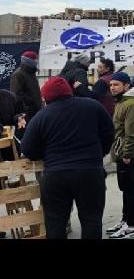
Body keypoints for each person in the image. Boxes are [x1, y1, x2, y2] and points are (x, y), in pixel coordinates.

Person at [20, 76, 114, 239]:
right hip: (90, 172)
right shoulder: (92, 106)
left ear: (46, 97)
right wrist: (99, 154)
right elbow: (108, 133)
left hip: (55, 175)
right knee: (91, 220)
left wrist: (45, 155)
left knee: (56, 222)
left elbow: (28, 149)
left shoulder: (41, 117)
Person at [106, 72, 134, 239]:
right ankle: (125, 220)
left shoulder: (132, 104)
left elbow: (133, 132)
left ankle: (132, 226)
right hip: (121, 150)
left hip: (127, 152)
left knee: (130, 189)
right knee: (125, 188)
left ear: (126, 85)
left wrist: (128, 154)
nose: (112, 88)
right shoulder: (122, 101)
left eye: (116, 85)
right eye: (111, 85)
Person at [10, 51, 42, 123]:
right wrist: (30, 105)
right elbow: (16, 94)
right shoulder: (18, 74)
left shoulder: (31, 73)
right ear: (29, 61)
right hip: (25, 113)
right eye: (35, 59)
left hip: (34, 111)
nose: (36, 61)